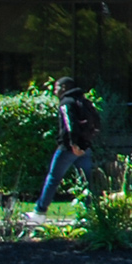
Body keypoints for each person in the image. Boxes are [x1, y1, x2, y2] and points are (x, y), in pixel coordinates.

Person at [30, 77, 102, 219]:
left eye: (57, 87)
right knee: (86, 182)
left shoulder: (66, 103)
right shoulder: (85, 102)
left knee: (53, 178)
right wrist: (84, 144)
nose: (55, 91)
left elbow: (70, 125)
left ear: (64, 88)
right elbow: (97, 124)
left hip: (68, 148)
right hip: (85, 148)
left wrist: (73, 144)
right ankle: (89, 215)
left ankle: (39, 212)